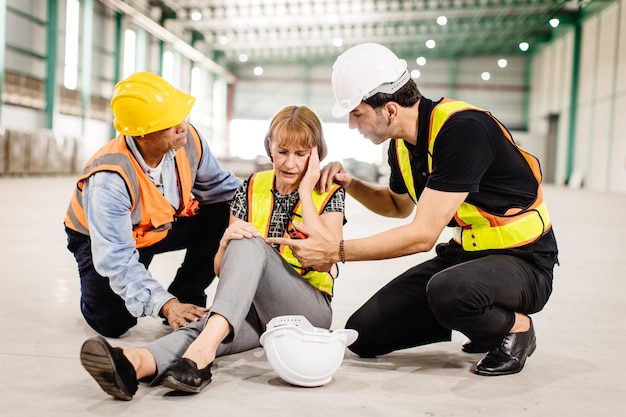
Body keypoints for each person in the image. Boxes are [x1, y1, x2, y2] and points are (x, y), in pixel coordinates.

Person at [270, 43, 559, 376]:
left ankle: (515, 328)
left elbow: (422, 236)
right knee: (364, 335)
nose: (352, 124)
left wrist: (335, 251)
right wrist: (351, 183)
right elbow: (396, 206)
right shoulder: (401, 146)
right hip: (469, 257)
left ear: (390, 110)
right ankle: (482, 324)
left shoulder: (463, 131)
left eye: (357, 113)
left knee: (449, 292)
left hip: (525, 262)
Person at [79, 105, 346, 400]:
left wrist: (307, 192)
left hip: (308, 312)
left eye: (301, 153)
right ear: (270, 146)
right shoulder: (251, 186)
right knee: (208, 328)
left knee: (244, 247)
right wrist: (223, 244)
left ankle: (200, 355)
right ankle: (134, 364)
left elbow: (328, 258)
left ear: (316, 153)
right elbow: (222, 270)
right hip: (256, 312)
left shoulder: (329, 189)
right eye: (283, 151)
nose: (290, 163)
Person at [64, 72, 241, 338]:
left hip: (160, 226)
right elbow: (117, 258)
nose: (182, 126)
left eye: (180, 116)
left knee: (226, 211)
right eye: (170, 123)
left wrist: (279, 192)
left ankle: (188, 293)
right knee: (112, 322)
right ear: (142, 135)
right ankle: (99, 291)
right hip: (104, 240)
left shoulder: (188, 141)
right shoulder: (109, 179)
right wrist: (166, 306)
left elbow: (224, 188)